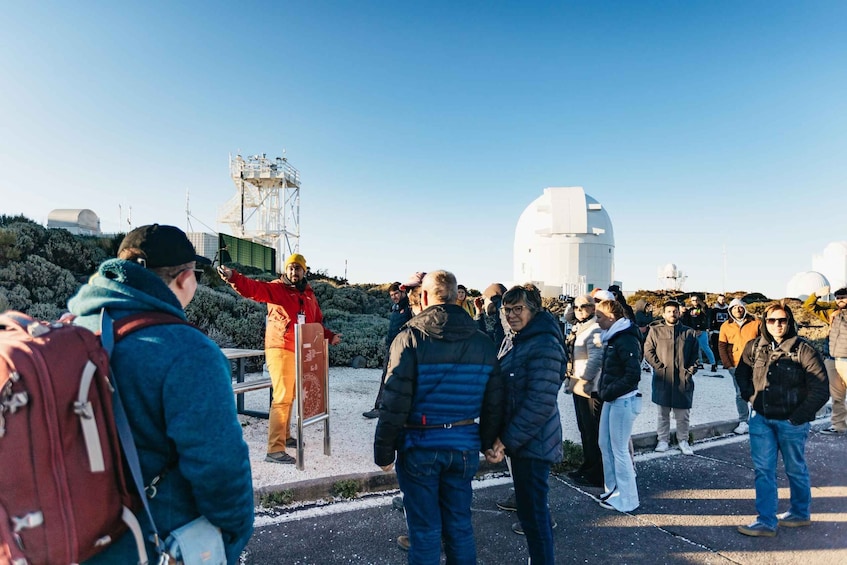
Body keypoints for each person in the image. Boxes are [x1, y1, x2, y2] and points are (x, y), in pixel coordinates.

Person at [68, 224, 254, 563]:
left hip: (66, 534)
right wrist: (232, 539)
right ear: (185, 278)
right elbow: (220, 469)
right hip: (149, 541)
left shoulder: (69, 330)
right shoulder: (190, 352)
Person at [374, 270, 504, 564]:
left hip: (420, 446)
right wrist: (487, 442)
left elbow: (394, 402)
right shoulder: (482, 342)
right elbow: (494, 399)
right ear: (457, 296)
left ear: (423, 297)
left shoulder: (409, 338)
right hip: (463, 447)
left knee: (425, 531)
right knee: (460, 527)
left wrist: (383, 451)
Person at [220, 253, 342, 464]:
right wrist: (234, 277)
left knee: (292, 394)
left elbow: (316, 322)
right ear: (286, 270)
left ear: (305, 271)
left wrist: (329, 337)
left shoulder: (309, 295)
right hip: (280, 346)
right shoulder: (277, 288)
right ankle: (275, 449)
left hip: (300, 348)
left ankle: (285, 435)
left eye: (298, 268)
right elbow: (253, 288)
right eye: (291, 268)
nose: (294, 272)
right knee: (283, 396)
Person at [734, 302, 829, 537]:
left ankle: (800, 513)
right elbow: (742, 373)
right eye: (771, 320)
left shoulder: (803, 349)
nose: (777, 325)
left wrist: (798, 417)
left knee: (795, 469)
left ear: (789, 322)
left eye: (782, 320)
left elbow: (820, 389)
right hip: (761, 421)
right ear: (765, 322)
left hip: (791, 423)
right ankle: (766, 521)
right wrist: (750, 396)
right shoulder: (754, 347)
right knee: (763, 470)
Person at [493, 283, 566, 563]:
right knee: (529, 513)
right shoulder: (518, 338)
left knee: (534, 518)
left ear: (534, 310)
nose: (511, 315)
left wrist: (505, 440)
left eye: (518, 309)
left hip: (534, 443)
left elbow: (539, 402)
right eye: (507, 310)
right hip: (524, 441)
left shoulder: (544, 342)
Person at [593, 299, 643, 513]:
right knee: (604, 443)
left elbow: (633, 374)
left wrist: (610, 391)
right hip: (613, 398)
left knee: (620, 450)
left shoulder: (625, 339)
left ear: (611, 318)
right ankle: (613, 490)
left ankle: (629, 499)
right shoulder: (613, 336)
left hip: (624, 400)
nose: (596, 321)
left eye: (599, 317)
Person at [644, 300, 699, 455]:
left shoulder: (688, 332)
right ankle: (663, 440)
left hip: (683, 379)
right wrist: (659, 368)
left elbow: (696, 354)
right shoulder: (655, 331)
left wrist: (690, 371)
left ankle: (683, 440)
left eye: (675, 311)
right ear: (663, 313)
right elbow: (648, 351)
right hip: (663, 378)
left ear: (679, 313)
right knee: (663, 413)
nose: (672, 314)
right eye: (669, 311)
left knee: (683, 415)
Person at [565, 294, 605, 488]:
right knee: (584, 430)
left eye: (584, 306)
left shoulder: (595, 328)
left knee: (593, 431)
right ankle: (588, 465)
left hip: (591, 388)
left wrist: (585, 379)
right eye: (576, 307)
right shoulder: (580, 326)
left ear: (593, 307)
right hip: (579, 385)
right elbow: (567, 316)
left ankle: (597, 473)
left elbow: (597, 358)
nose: (579, 310)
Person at [363, 281, 412, 419]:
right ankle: (380, 407)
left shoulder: (409, 307)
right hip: (391, 347)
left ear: (403, 292)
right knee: (386, 376)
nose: (394, 296)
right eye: (391, 295)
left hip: (403, 349)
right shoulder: (395, 307)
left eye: (396, 293)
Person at [802, 285, 847, 435]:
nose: (841, 300)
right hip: (832, 359)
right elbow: (809, 305)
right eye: (838, 298)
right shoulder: (831, 312)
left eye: (844, 297)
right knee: (837, 397)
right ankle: (839, 426)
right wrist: (817, 294)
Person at [718, 298, 761, 435]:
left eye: (740, 307)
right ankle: (743, 421)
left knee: (756, 392)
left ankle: (756, 420)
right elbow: (722, 346)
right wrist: (728, 365)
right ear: (730, 310)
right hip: (736, 364)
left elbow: (764, 341)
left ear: (744, 308)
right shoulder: (726, 326)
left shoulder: (756, 323)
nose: (738, 309)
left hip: (755, 364)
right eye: (734, 307)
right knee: (740, 393)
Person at [682, 294, 716, 371]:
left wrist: (700, 328)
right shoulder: (689, 310)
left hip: (702, 330)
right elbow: (686, 321)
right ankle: (700, 363)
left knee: (705, 347)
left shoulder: (703, 309)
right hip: (692, 331)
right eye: (693, 300)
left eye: (696, 300)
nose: (695, 302)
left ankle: (713, 363)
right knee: (696, 348)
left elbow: (704, 316)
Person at [473, 282, 509, 347]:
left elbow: (480, 338)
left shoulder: (502, 323)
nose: (483, 305)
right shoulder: (508, 320)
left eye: (483, 300)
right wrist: (479, 312)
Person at [709, 294, 730, 364]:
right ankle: (715, 362)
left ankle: (725, 362)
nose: (721, 301)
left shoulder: (728, 310)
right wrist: (711, 329)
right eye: (720, 299)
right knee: (715, 348)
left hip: (726, 332)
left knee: (725, 348)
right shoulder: (714, 310)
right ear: (717, 300)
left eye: (723, 299)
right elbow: (710, 320)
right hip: (716, 332)